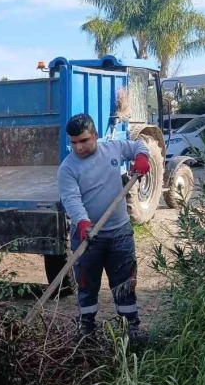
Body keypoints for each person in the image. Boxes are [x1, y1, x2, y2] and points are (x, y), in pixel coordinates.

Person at [57, 113, 151, 340]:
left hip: (120, 234)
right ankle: (87, 331)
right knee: (86, 284)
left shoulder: (114, 149)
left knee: (124, 283)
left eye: (84, 140)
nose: (79, 147)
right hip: (88, 236)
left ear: (95, 136)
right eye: (74, 142)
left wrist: (141, 156)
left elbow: (139, 144)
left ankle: (131, 329)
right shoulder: (68, 168)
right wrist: (81, 220)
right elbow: (71, 199)